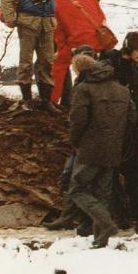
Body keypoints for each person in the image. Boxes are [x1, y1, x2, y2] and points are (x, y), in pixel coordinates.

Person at [67, 52, 135, 248]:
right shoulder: (122, 90)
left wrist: (74, 140)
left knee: (77, 189)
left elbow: (77, 119)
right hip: (114, 149)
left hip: (90, 148)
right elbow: (132, 119)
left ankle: (105, 223)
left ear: (80, 70)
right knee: (102, 193)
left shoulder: (84, 88)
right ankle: (101, 239)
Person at [99, 32, 138, 235]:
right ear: (130, 48)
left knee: (130, 173)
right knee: (120, 174)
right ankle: (129, 216)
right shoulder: (111, 64)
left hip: (124, 128)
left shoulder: (127, 66)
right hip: (114, 127)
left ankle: (129, 216)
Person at [0, 0, 68, 110]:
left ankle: (46, 101)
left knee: (47, 62)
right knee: (26, 62)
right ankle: (27, 100)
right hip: (28, 23)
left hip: (47, 24)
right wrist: (10, 19)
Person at [44, 45, 99, 232]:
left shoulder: (87, 85)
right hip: (86, 141)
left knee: (77, 180)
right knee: (72, 178)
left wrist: (75, 138)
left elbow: (80, 117)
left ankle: (81, 219)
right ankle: (71, 217)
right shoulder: (84, 83)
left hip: (86, 142)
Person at [49, 0, 112, 106]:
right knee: (96, 70)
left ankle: (53, 101)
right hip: (97, 41)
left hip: (76, 42)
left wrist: (60, 50)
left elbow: (59, 31)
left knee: (58, 66)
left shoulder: (55, 2)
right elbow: (102, 18)